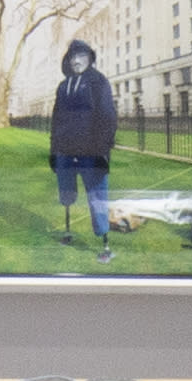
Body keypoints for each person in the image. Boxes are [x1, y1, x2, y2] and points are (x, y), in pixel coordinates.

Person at [44, 34, 119, 263]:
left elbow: (107, 117)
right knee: (66, 193)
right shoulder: (63, 86)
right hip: (65, 151)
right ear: (68, 60)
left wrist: (103, 151)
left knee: (97, 196)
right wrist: (54, 150)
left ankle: (105, 245)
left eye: (81, 56)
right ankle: (68, 233)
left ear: (89, 58)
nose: (77, 61)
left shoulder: (98, 82)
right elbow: (56, 120)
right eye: (73, 56)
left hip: (91, 152)